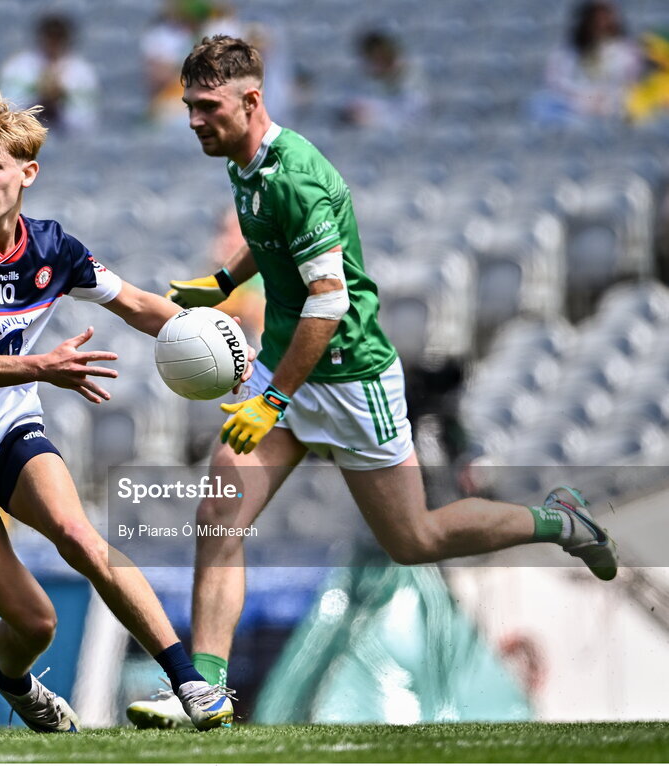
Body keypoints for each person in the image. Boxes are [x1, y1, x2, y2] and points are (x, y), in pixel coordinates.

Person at [125, 34, 619, 729]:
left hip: (349, 378)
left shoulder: (299, 173)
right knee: (218, 516)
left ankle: (558, 521)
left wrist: (271, 401)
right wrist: (224, 281)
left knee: (412, 540)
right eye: (189, 107)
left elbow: (327, 304)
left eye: (207, 107)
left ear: (251, 100)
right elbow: (268, 235)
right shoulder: (243, 162)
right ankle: (203, 692)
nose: (195, 121)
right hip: (283, 367)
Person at [0, 87, 235, 732]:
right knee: (35, 620)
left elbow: (134, 303)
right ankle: (11, 678)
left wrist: (205, 337)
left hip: (10, 425)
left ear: (27, 173)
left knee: (80, 537)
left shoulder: (54, 248)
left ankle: (193, 686)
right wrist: (42, 367)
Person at [531, 1, 641, 126]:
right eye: (596, 20)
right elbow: (556, 80)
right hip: (574, 105)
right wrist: (580, 97)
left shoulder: (627, 51)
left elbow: (630, 81)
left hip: (612, 104)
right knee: (540, 102)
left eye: (605, 20)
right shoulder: (568, 51)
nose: (601, 24)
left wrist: (606, 98)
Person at [0, 14, 99, 135]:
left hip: (67, 139)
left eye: (58, 38)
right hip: (24, 138)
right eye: (50, 37)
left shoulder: (81, 72)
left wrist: (60, 101)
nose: (53, 43)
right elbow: (6, 109)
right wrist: (39, 100)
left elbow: (87, 118)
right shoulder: (19, 66)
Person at [340, 30, 428, 131]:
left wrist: (372, 117)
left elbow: (413, 120)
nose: (380, 63)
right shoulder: (358, 84)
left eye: (384, 57)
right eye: (374, 58)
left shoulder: (414, 82)